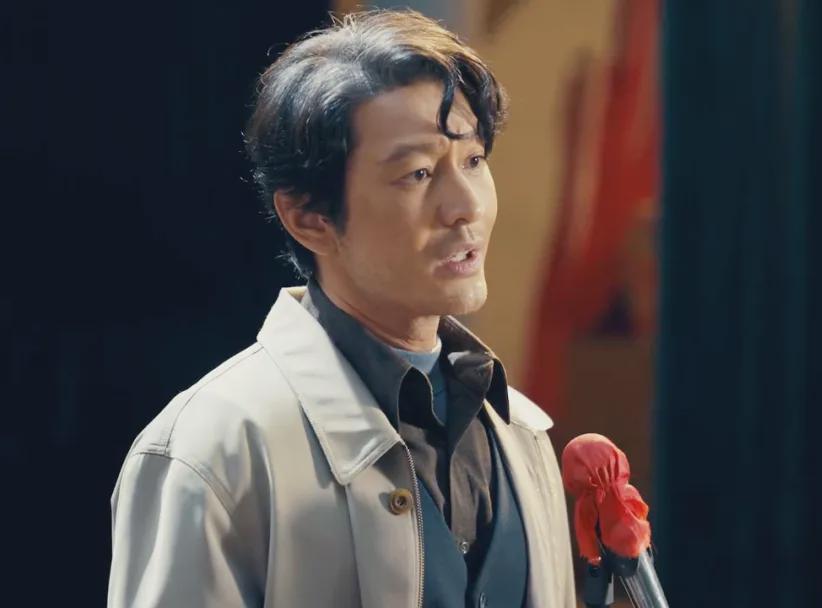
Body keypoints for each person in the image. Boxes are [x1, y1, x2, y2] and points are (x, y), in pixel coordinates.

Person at [107, 10, 575, 607]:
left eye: (474, 161)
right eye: (418, 173)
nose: (465, 206)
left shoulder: (518, 433)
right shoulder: (218, 448)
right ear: (309, 218)